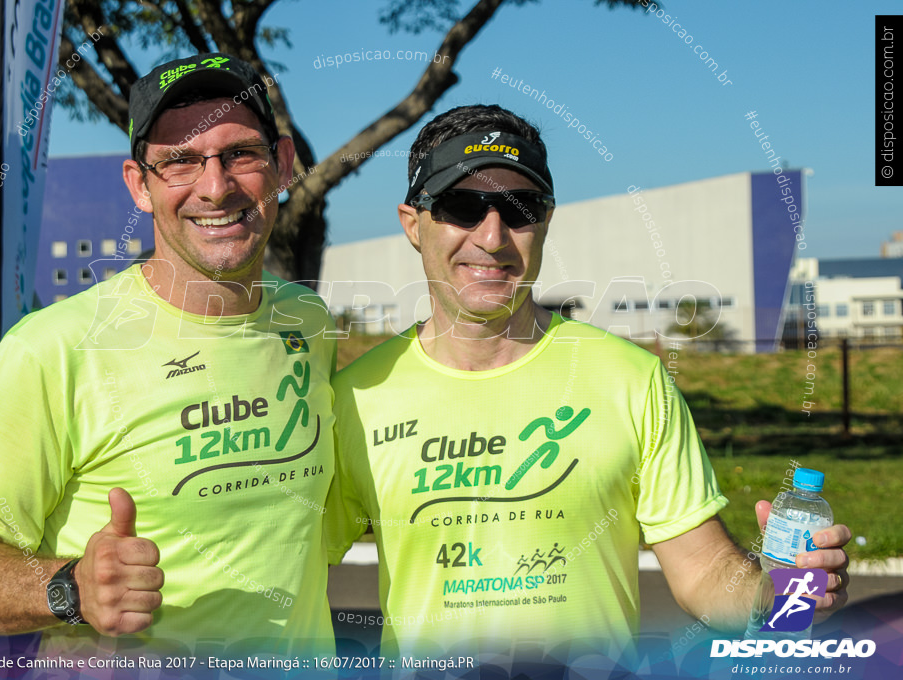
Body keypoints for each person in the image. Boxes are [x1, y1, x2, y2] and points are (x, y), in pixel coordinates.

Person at [324, 104, 851, 668]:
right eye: (462, 206)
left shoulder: (632, 380)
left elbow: (702, 571)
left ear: (545, 219)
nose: (493, 235)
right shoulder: (357, 397)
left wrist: (781, 595)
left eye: (519, 208)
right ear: (413, 222)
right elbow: (286, 570)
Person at [0, 53, 337, 662]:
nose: (215, 186)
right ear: (139, 185)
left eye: (240, 154)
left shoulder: (309, 322)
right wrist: (70, 589)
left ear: (280, 166)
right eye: (179, 162)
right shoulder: (55, 348)